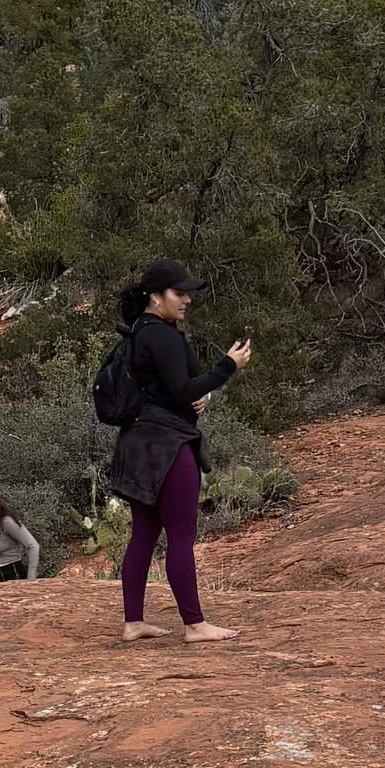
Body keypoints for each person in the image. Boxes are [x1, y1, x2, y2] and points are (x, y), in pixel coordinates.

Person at [107, 260, 249, 645]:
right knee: (182, 537)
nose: (186, 299)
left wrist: (195, 397)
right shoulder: (164, 336)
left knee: (143, 534)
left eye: (187, 293)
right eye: (178, 293)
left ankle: (133, 622)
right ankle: (195, 625)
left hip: (137, 444)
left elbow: (172, 390)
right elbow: (183, 389)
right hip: (167, 448)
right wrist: (227, 366)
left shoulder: (140, 332)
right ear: (156, 297)